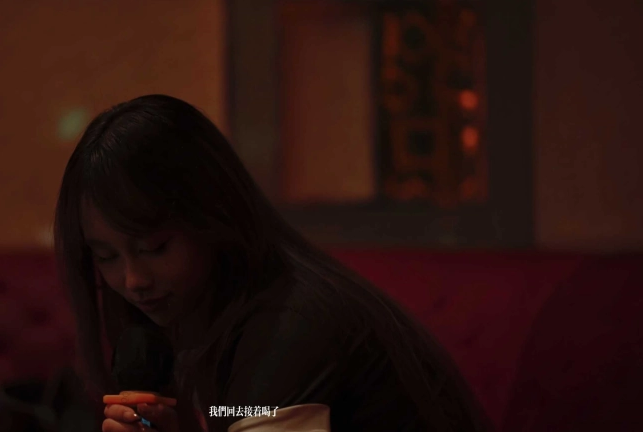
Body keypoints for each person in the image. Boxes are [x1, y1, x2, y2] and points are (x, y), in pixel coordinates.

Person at [54, 94, 491, 432]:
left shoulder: (289, 324)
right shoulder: (210, 315)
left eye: (155, 248)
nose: (133, 279)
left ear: (213, 215)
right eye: (106, 257)